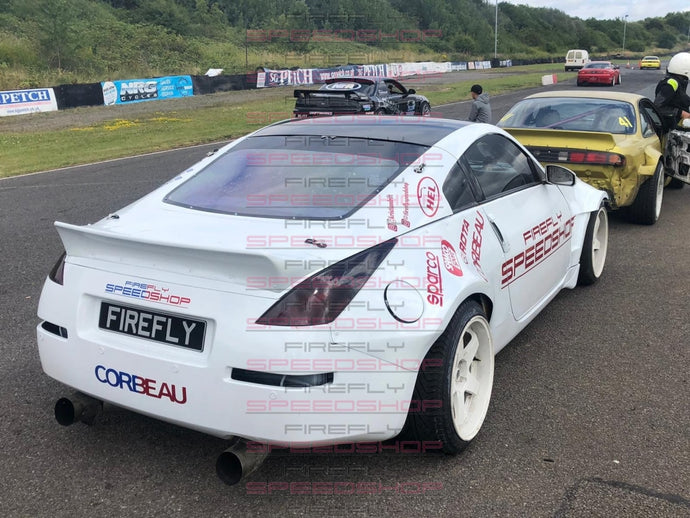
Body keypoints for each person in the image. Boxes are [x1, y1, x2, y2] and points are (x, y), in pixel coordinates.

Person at [654, 52, 690, 131]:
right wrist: (681, 113)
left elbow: (680, 100)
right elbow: (657, 107)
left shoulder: (678, 82)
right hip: (670, 129)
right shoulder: (670, 84)